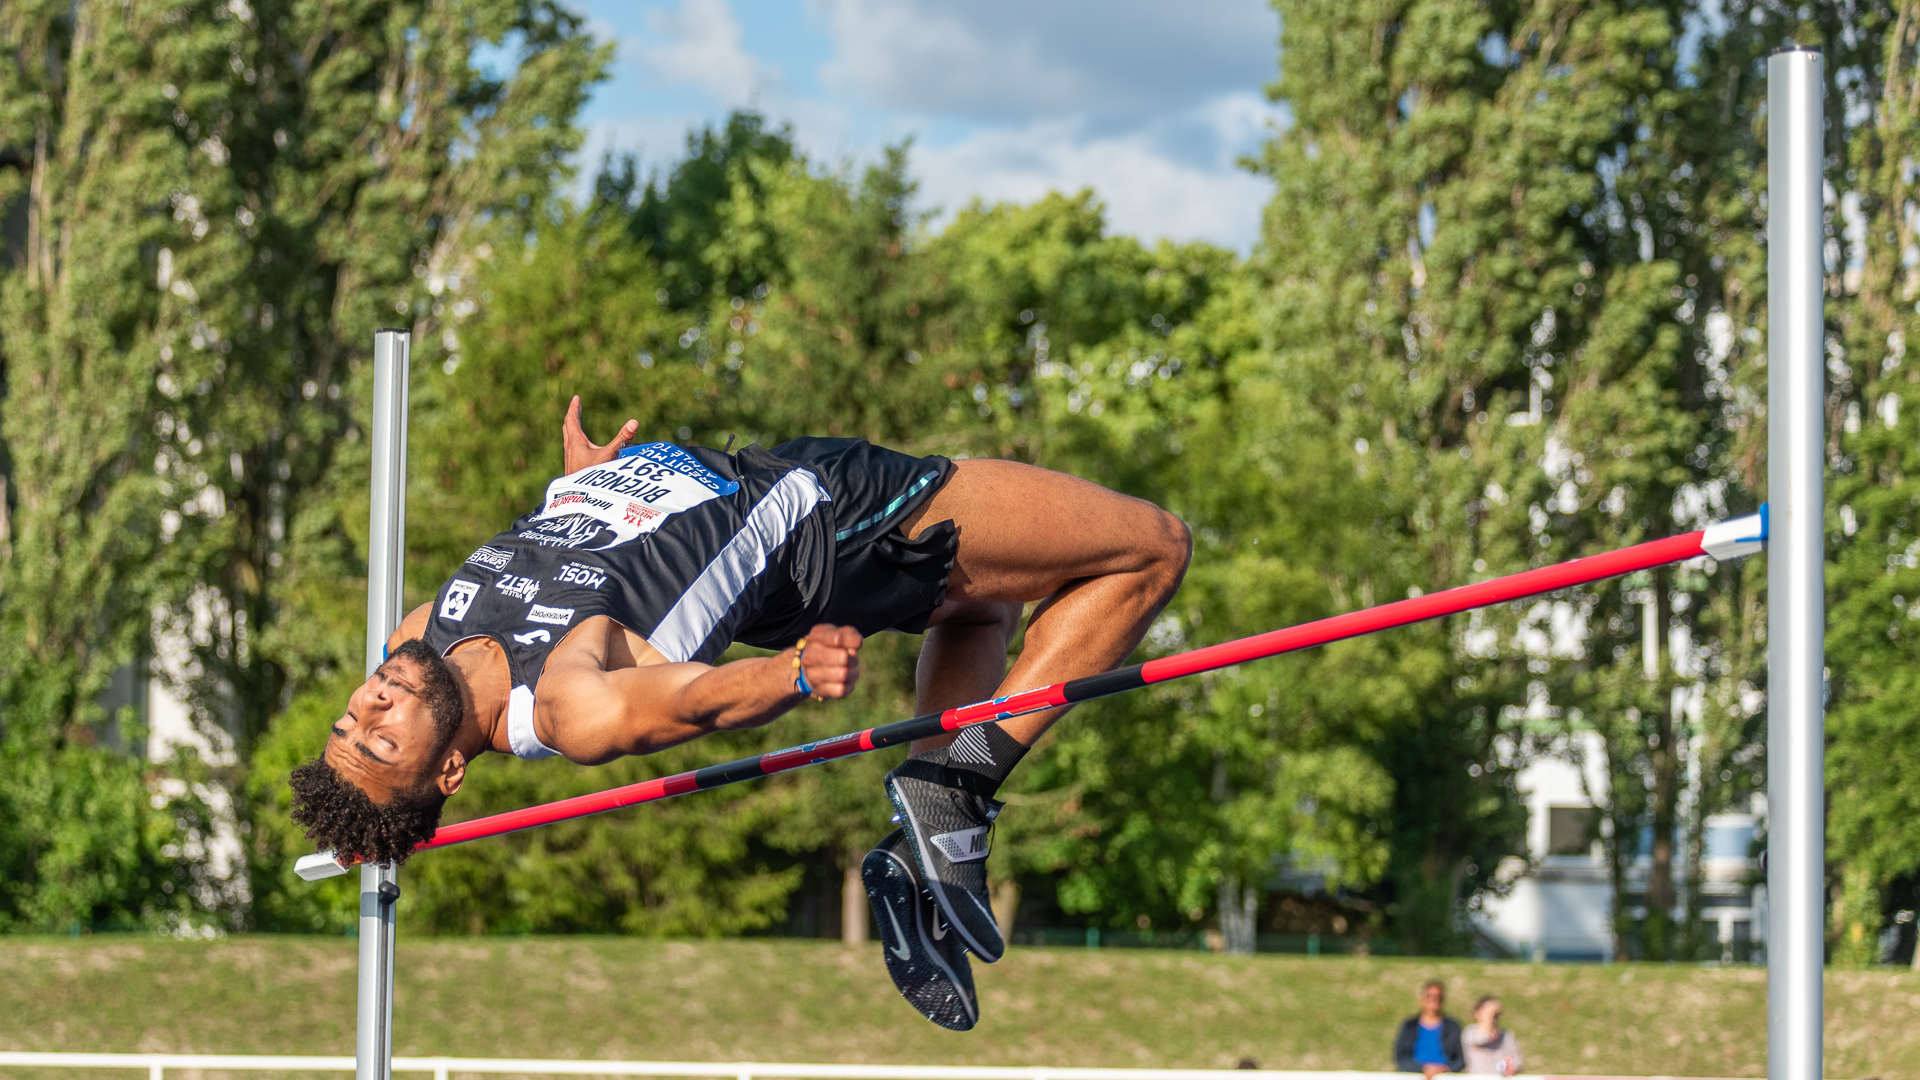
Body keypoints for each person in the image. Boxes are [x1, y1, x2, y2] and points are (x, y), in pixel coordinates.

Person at [289, 397, 1191, 1032]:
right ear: (449, 771)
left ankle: (930, 826)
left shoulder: (424, 637)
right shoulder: (567, 704)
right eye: (383, 742)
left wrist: (585, 491)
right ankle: (956, 788)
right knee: (1147, 547)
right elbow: (687, 700)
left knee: (977, 604)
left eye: (348, 722)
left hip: (752, 500)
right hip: (820, 516)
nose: (371, 703)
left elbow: (581, 557)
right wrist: (789, 679)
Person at [1393, 979, 1465, 1075]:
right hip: (1415, 1075)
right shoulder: (1410, 1025)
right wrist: (1423, 1069)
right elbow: (1401, 1057)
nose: (1433, 1000)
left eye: (1437, 997)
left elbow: (1460, 1058)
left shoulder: (1452, 1026)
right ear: (1422, 999)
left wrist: (1444, 1069)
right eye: (1429, 996)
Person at [1461, 995, 1523, 1076]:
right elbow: (1481, 1040)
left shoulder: (1506, 1036)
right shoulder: (1470, 1032)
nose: (1494, 1018)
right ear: (1477, 1013)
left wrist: (1512, 1068)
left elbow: (1518, 1062)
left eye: (1497, 1014)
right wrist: (1488, 1018)